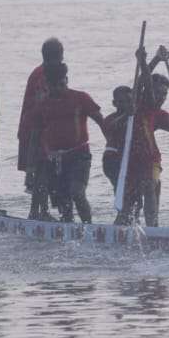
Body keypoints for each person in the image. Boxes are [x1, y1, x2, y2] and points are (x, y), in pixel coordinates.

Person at [117, 45, 169, 226]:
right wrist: (149, 60)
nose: (161, 97)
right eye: (158, 93)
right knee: (128, 204)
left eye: (164, 94)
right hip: (129, 159)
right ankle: (122, 228)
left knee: (149, 186)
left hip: (150, 160)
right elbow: (143, 81)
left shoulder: (160, 114)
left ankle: (153, 227)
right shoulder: (139, 103)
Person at [26, 62, 106, 223]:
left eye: (62, 84)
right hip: (55, 160)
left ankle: (88, 227)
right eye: (54, 86)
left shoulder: (81, 98)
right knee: (64, 203)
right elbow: (34, 139)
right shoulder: (42, 105)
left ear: (67, 80)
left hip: (80, 155)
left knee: (77, 192)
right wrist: (30, 169)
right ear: (48, 84)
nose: (59, 89)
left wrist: (114, 143)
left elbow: (102, 122)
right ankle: (67, 235)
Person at [17, 37, 63, 219]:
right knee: (41, 171)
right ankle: (39, 212)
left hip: (35, 128)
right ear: (58, 56)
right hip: (35, 130)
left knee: (42, 172)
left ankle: (38, 211)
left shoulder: (41, 72)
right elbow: (44, 104)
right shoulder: (44, 75)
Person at [100, 85, 133, 191]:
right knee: (121, 189)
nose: (126, 104)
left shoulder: (136, 118)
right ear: (114, 103)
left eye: (129, 101)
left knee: (134, 192)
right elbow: (112, 127)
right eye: (122, 102)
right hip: (113, 159)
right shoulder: (109, 119)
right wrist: (126, 115)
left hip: (131, 158)